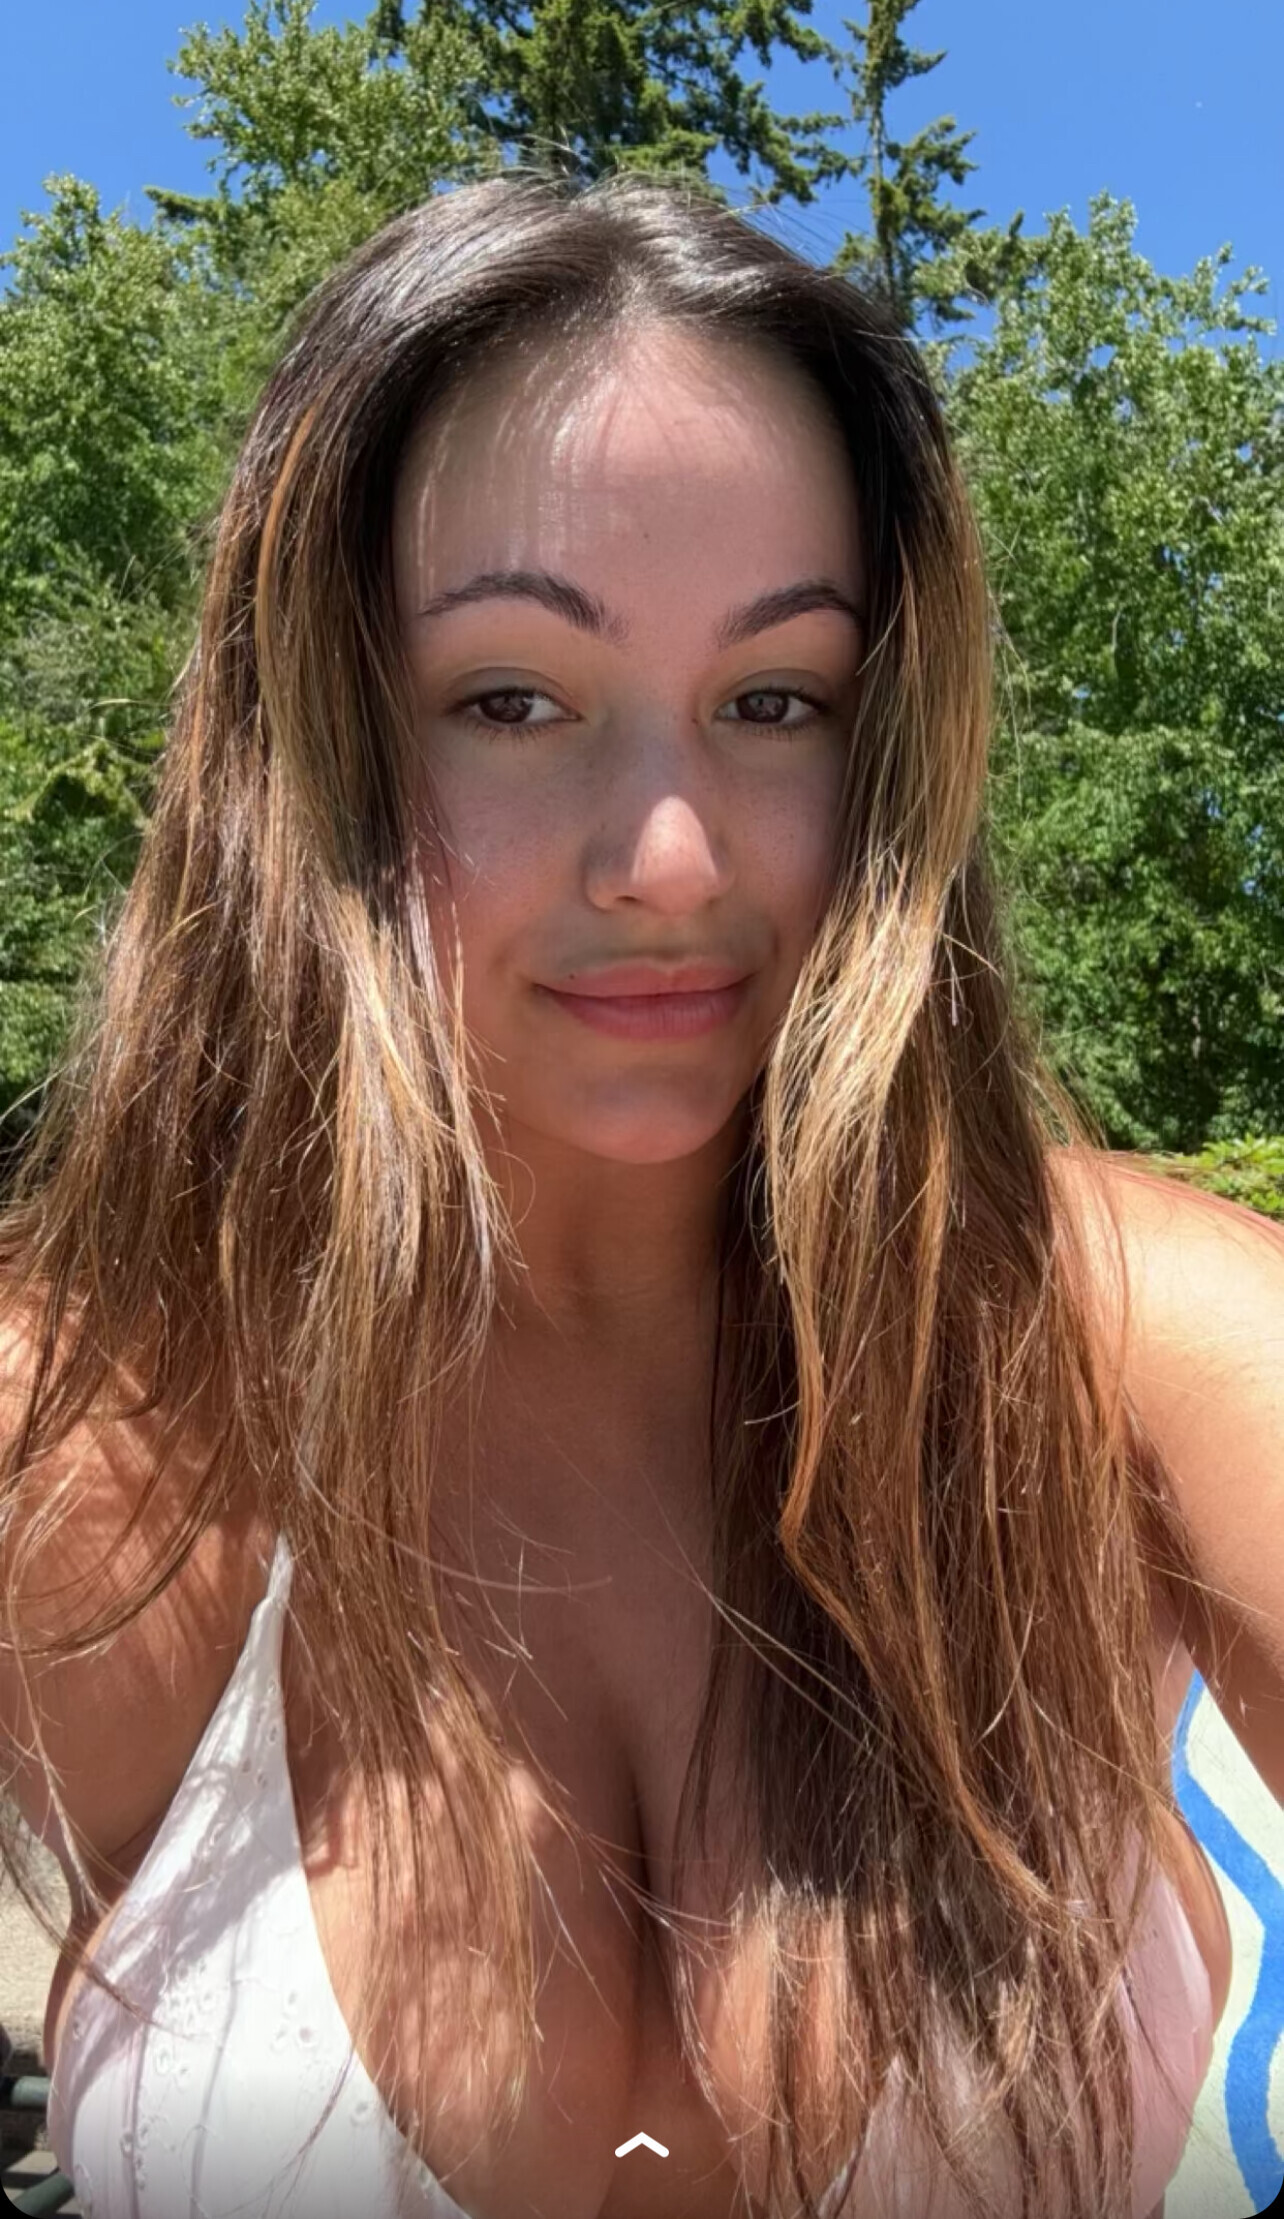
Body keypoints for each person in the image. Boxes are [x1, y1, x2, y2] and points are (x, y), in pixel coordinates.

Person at [0, 168, 1278, 2219]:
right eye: (512, 699)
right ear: (317, 743)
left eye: (777, 702)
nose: (672, 861)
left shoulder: (1108, 1349)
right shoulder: (106, 1452)